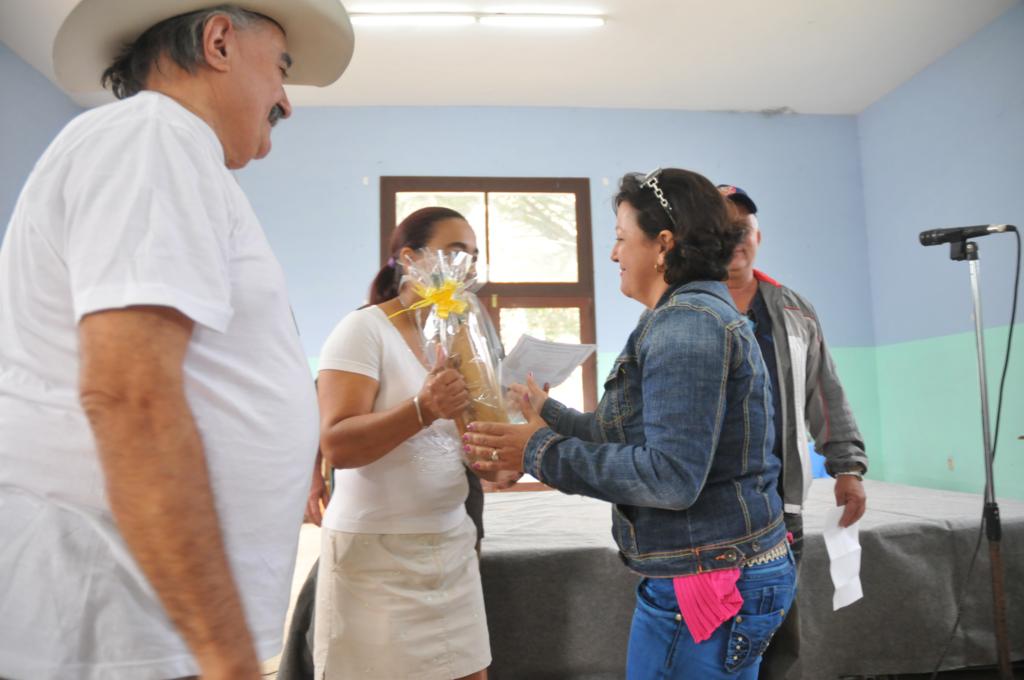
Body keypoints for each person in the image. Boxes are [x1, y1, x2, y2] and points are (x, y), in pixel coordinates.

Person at [0, 3, 353, 679]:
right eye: (281, 68)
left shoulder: (164, 148)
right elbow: (130, 396)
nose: (286, 99)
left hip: (137, 619)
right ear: (218, 41)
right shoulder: (154, 136)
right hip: (110, 617)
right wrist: (226, 657)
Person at [464, 168, 796, 679]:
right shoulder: (682, 315)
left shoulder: (687, 325)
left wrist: (538, 452)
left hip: (708, 576)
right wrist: (546, 415)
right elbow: (634, 437)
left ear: (663, 244)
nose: (615, 254)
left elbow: (669, 476)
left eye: (621, 239)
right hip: (713, 564)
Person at [314, 207, 495, 679]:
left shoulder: (458, 334)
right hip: (376, 556)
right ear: (410, 258)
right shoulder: (362, 330)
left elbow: (474, 448)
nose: (466, 267)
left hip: (452, 543)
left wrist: (513, 424)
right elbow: (337, 445)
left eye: (473, 257)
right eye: (455, 253)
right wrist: (422, 409)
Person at [717, 184, 869, 679]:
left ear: (758, 234)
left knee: (778, 627)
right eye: (722, 229)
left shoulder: (794, 310)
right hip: (710, 505)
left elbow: (825, 392)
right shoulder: (684, 308)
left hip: (782, 503)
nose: (734, 238)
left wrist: (847, 466)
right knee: (712, 629)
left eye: (743, 228)